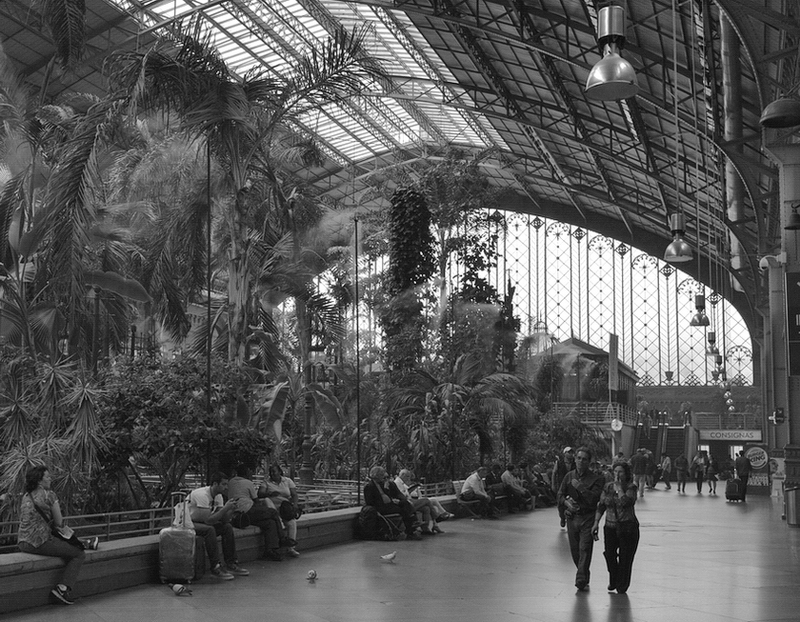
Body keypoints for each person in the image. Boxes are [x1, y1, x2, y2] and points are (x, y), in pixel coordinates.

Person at [17, 465, 86, 605]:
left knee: (65, 547)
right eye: (47, 477)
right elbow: (59, 522)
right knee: (79, 554)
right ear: (39, 481)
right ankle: (62, 589)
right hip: (39, 542)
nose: (50, 479)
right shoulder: (50, 495)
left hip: (22, 542)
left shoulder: (26, 496)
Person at [556, 446, 605, 591]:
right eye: (578, 458)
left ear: (589, 462)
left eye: (584, 459)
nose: (580, 461)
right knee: (575, 550)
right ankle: (583, 572)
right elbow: (560, 494)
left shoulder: (597, 479)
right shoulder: (569, 476)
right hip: (572, 517)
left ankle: (581, 578)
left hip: (588, 517)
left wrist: (580, 487)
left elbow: (593, 499)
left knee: (585, 548)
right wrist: (567, 503)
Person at [188, 472, 250, 579]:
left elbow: (224, 519)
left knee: (227, 527)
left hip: (201, 522)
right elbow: (208, 520)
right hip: (188, 523)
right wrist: (225, 508)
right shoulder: (202, 495)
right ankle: (215, 567)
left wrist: (231, 510)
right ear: (215, 484)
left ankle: (231, 563)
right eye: (224, 484)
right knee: (209, 530)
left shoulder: (218, 496)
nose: (226, 487)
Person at [591, 461, 640, 594]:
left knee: (625, 557)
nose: (617, 475)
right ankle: (613, 578)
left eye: (621, 472)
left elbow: (626, 502)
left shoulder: (631, 487)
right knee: (609, 554)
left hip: (627, 527)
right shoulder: (607, 487)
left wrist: (619, 489)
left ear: (626, 474)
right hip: (610, 526)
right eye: (615, 472)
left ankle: (622, 585)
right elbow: (601, 505)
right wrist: (596, 522)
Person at [227, 465, 287, 561]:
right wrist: (262, 509)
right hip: (248, 510)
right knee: (272, 513)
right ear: (247, 473)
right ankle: (282, 538)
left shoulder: (230, 482)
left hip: (237, 514)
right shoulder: (248, 482)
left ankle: (270, 550)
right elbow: (256, 500)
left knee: (270, 523)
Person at [364, 466, 421, 539]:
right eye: (382, 475)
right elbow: (370, 502)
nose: (384, 477)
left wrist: (394, 497)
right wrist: (389, 499)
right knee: (403, 510)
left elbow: (395, 495)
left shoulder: (386, 484)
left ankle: (413, 524)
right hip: (380, 507)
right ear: (376, 476)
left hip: (390, 504)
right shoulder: (369, 486)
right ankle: (411, 528)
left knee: (404, 503)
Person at [260, 464, 302, 556]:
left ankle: (291, 548)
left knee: (292, 523)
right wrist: (269, 493)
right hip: (272, 507)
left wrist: (295, 506)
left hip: (284, 508)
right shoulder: (266, 482)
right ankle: (278, 520)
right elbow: (260, 493)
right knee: (266, 500)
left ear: (279, 472)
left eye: (274, 471)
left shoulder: (287, 481)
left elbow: (294, 494)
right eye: (271, 472)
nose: (272, 474)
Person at [553, 447, 576, 527]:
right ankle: (562, 518)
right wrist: (553, 484)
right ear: (565, 453)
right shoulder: (559, 463)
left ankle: (569, 518)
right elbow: (554, 473)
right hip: (561, 485)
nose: (570, 454)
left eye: (571, 452)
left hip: (572, 486)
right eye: (568, 452)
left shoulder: (575, 463)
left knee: (572, 502)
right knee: (560, 503)